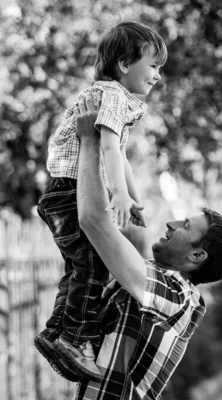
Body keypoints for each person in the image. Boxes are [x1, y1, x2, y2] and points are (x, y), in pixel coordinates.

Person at [43, 94, 222, 399]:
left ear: (197, 255)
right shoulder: (150, 278)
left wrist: (90, 140)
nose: (172, 224)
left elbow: (94, 222)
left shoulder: (179, 298)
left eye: (185, 226)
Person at [35, 21, 167, 379]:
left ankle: (58, 334)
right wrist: (119, 195)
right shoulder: (110, 95)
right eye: (153, 65)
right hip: (67, 192)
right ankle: (75, 339)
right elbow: (108, 145)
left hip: (64, 190)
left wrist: (133, 199)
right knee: (92, 266)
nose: (157, 75)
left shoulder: (116, 97)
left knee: (80, 266)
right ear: (125, 64)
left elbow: (120, 155)